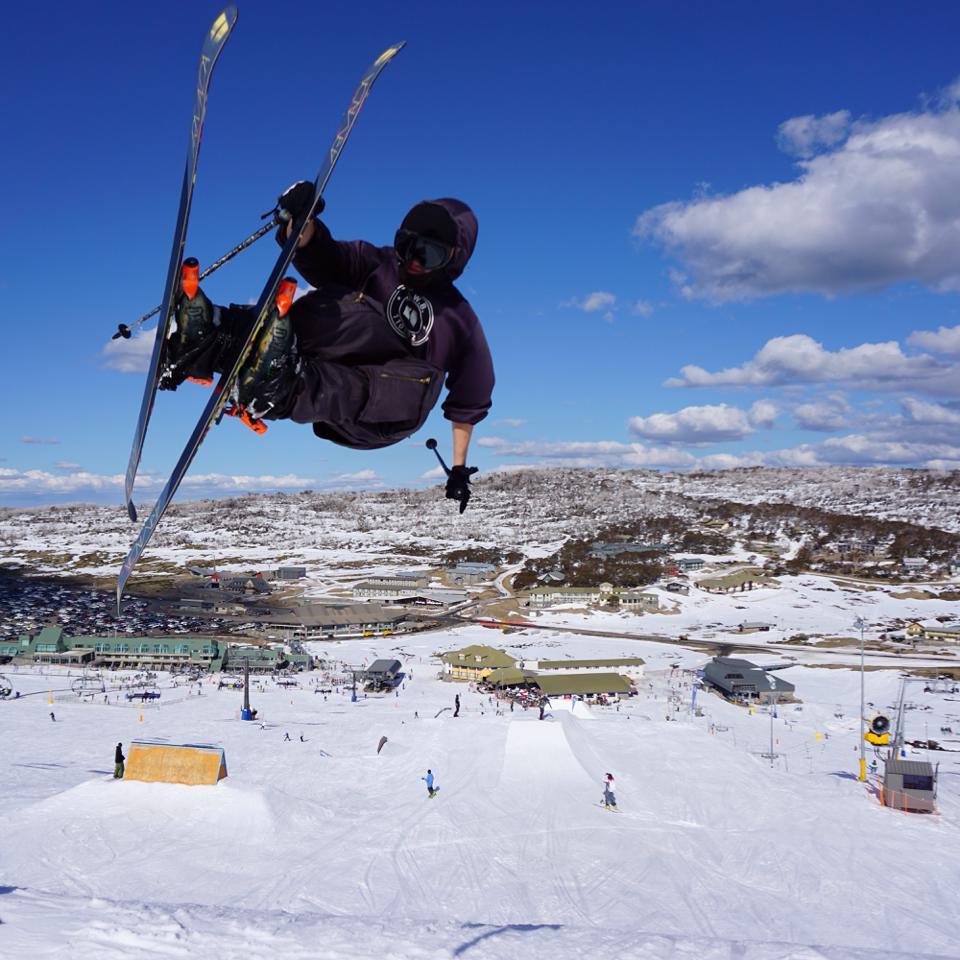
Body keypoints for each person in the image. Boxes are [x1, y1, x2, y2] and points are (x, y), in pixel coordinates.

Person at [160, 185, 495, 513]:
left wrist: (458, 470)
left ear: (454, 258)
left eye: (429, 254)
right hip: (330, 361)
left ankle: (283, 388)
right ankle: (215, 339)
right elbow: (327, 259)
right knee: (347, 307)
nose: (414, 260)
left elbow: (469, 400)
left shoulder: (460, 320)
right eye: (406, 246)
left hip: (381, 414)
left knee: (416, 381)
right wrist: (302, 225)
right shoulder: (378, 263)